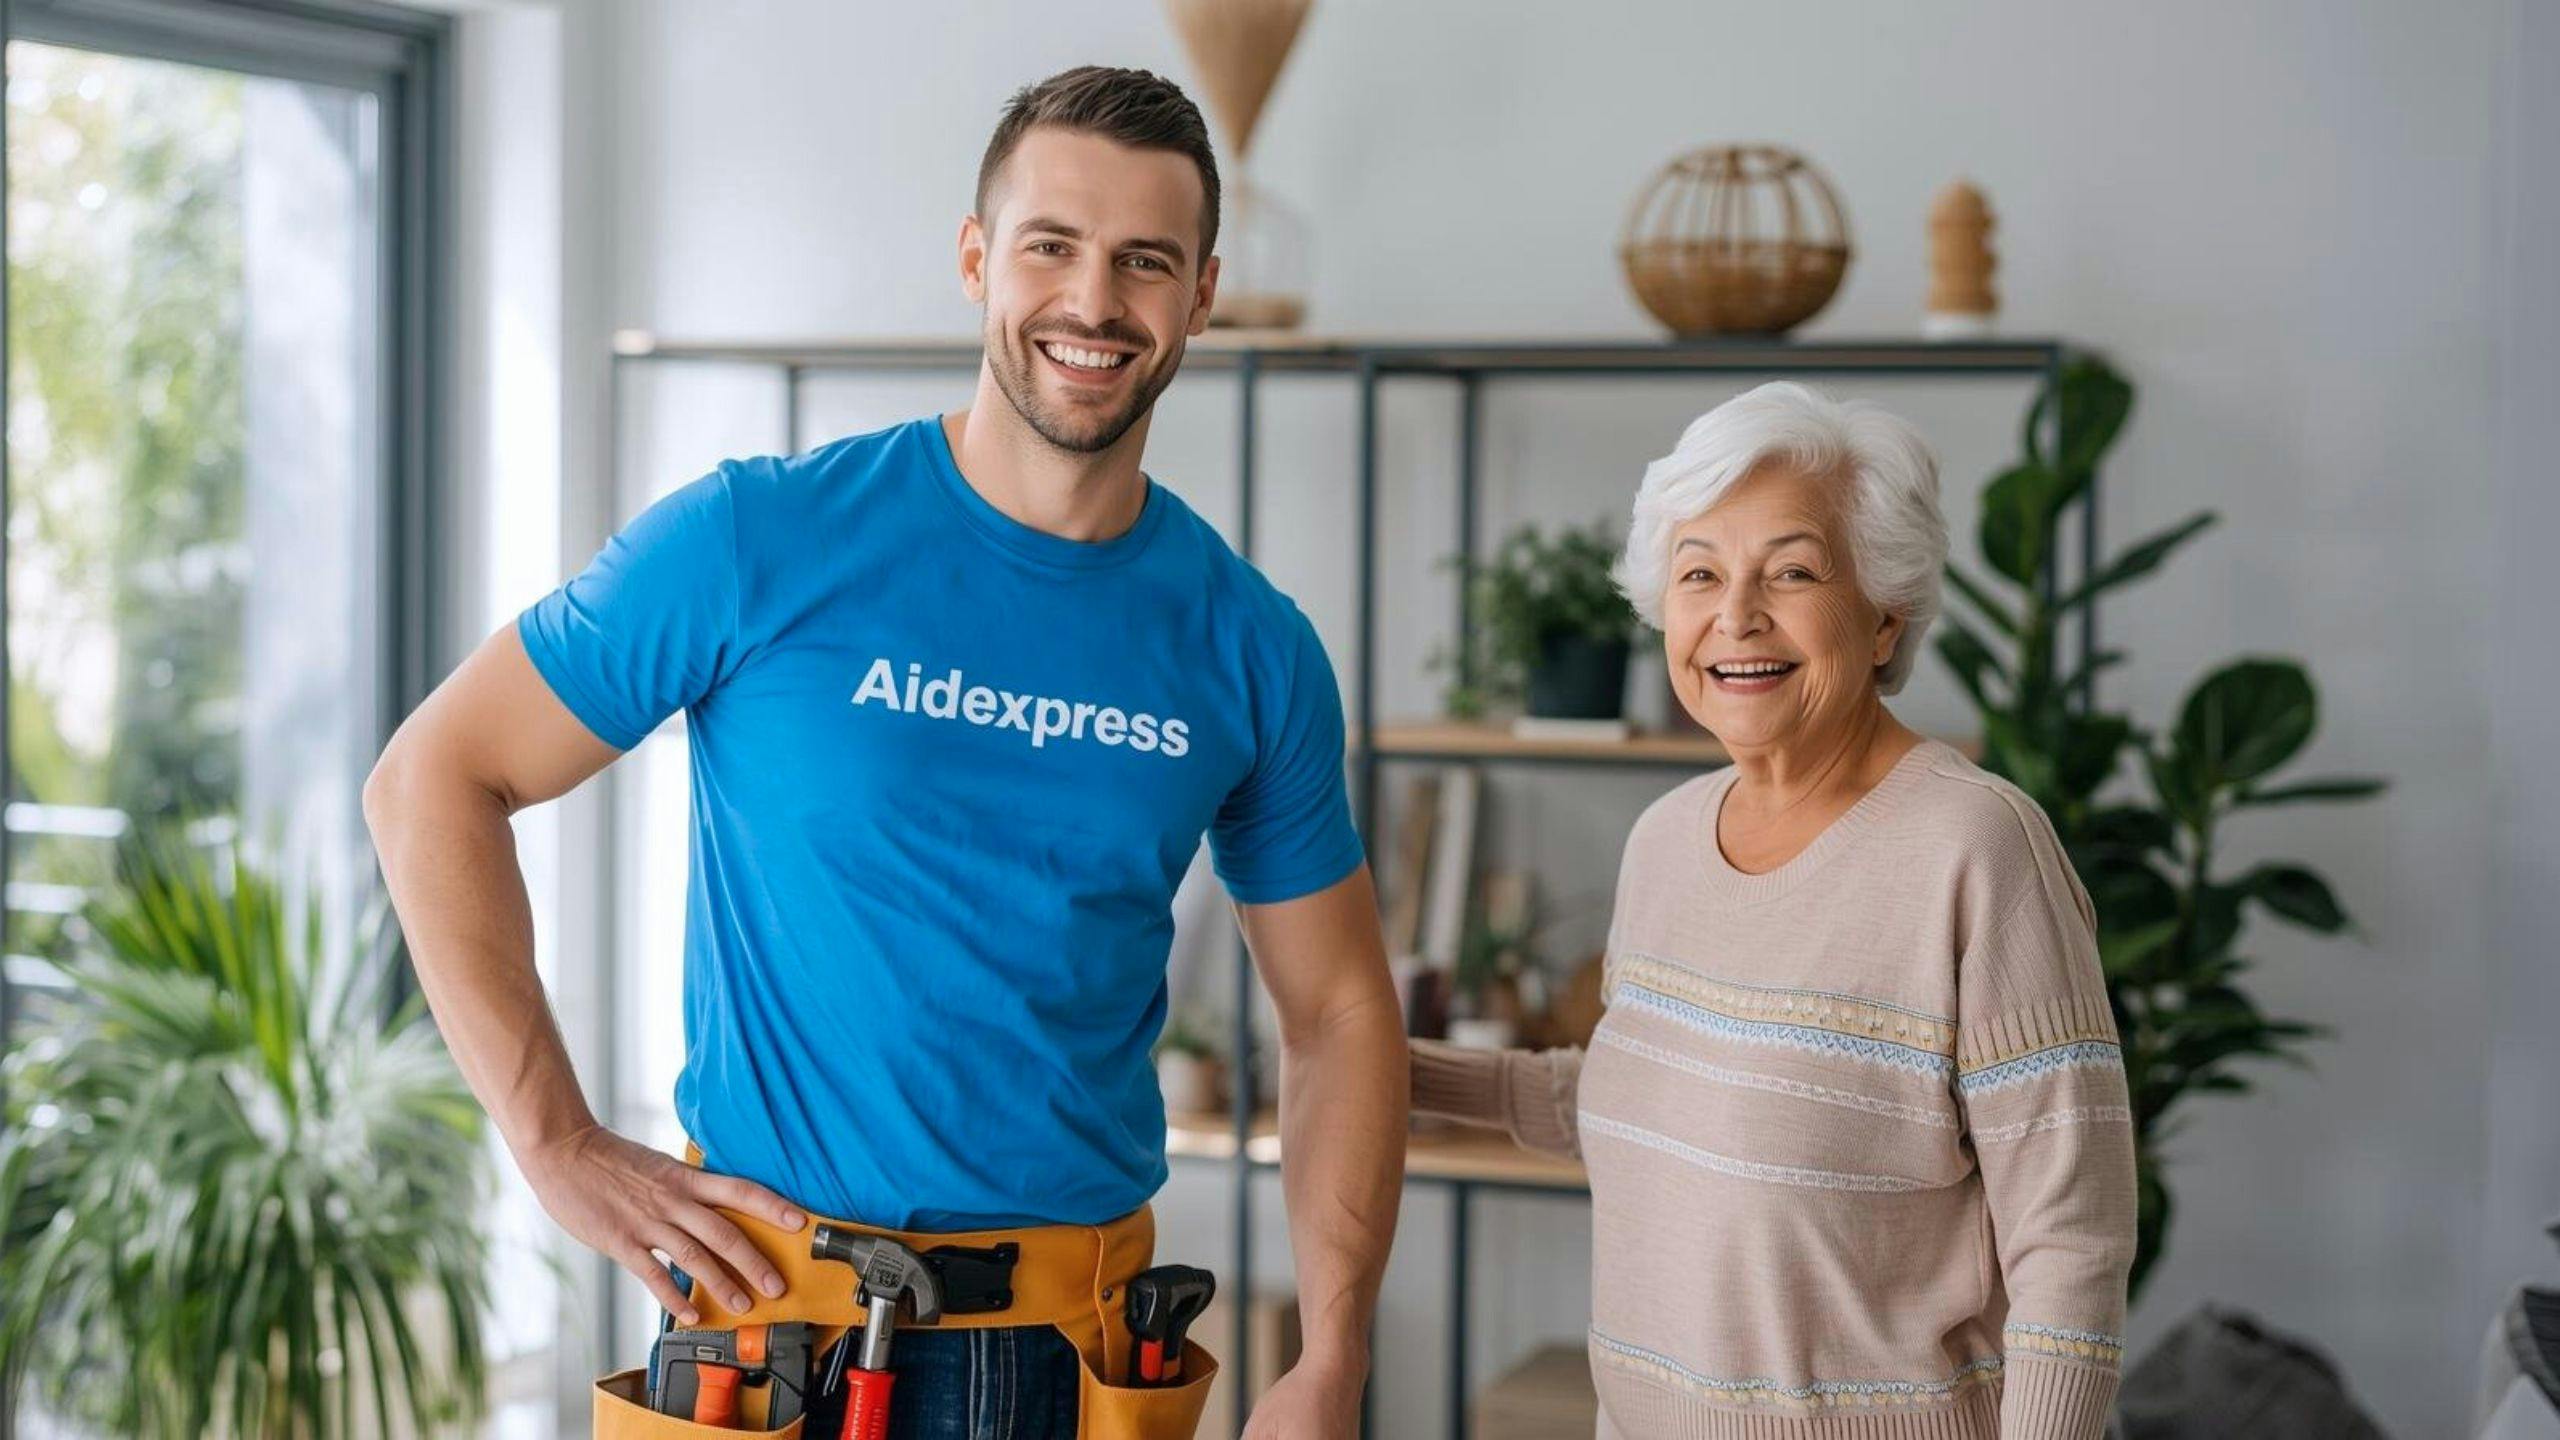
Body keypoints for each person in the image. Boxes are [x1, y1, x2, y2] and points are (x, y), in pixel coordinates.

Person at [366, 65, 1405, 1438]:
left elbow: (1337, 1012)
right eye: (1051, 246)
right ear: (978, 260)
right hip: (768, 1347)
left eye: (1144, 262)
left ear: (1200, 294)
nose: (1093, 303)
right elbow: (435, 778)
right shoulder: (756, 539)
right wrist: (554, 1143)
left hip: (1076, 1362)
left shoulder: (1250, 646)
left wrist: (1332, 1353)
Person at [1411, 383, 2136, 1438]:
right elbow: (1649, 1105)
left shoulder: (1975, 848)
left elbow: (2070, 1242)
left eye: (1791, 572)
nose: (1734, 616)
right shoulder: (1663, 838)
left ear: (1884, 613)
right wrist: (1392, 1072)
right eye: (1699, 573)